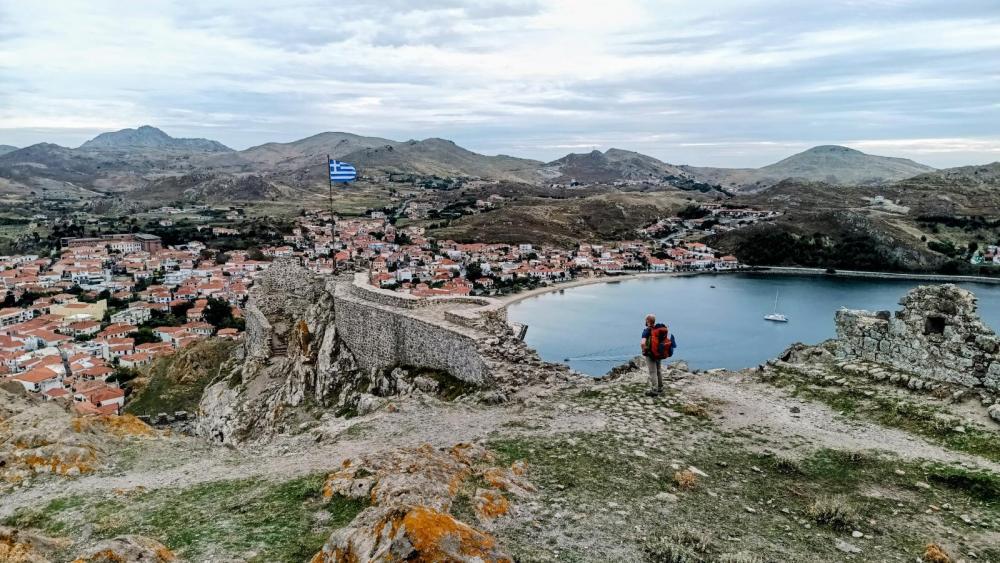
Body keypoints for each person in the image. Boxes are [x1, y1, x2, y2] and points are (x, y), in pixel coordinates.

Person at [640, 314, 668, 396]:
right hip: (658, 353)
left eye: (646, 320)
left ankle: (654, 390)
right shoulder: (658, 329)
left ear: (648, 321)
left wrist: (644, 350)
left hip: (650, 354)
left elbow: (642, 343)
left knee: (652, 371)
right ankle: (660, 388)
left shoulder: (647, 331)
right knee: (658, 370)